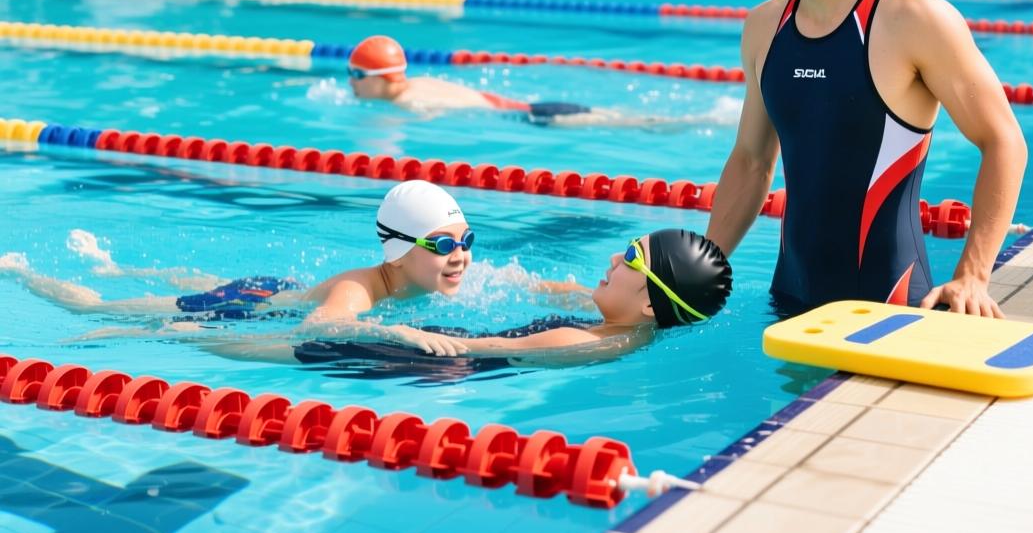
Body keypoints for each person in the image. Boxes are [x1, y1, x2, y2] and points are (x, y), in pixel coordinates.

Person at [707, 0, 1027, 319]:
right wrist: (701, 270)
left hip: (890, 304)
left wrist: (973, 276)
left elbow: (1004, 141)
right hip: (790, 299)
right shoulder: (763, 28)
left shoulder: (912, 17)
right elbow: (752, 162)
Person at [0, 180, 477, 355]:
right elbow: (324, 324)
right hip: (248, 307)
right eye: (442, 244)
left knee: (202, 283)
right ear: (398, 250)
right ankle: (19, 270)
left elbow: (509, 279)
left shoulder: (436, 272)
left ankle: (110, 267)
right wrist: (403, 335)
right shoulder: (358, 289)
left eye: (465, 241)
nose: (459, 255)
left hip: (277, 290)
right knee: (102, 310)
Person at [223, 228, 734, 370]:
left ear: (651, 303)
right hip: (447, 344)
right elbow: (575, 291)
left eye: (630, 258)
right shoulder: (627, 328)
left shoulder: (576, 341)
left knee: (248, 342)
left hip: (416, 356)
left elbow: (473, 348)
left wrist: (393, 332)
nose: (613, 261)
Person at [346, 35, 593, 124]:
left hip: (532, 118)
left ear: (385, 76)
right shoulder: (419, 82)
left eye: (357, 75)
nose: (351, 82)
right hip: (527, 107)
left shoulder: (410, 103)